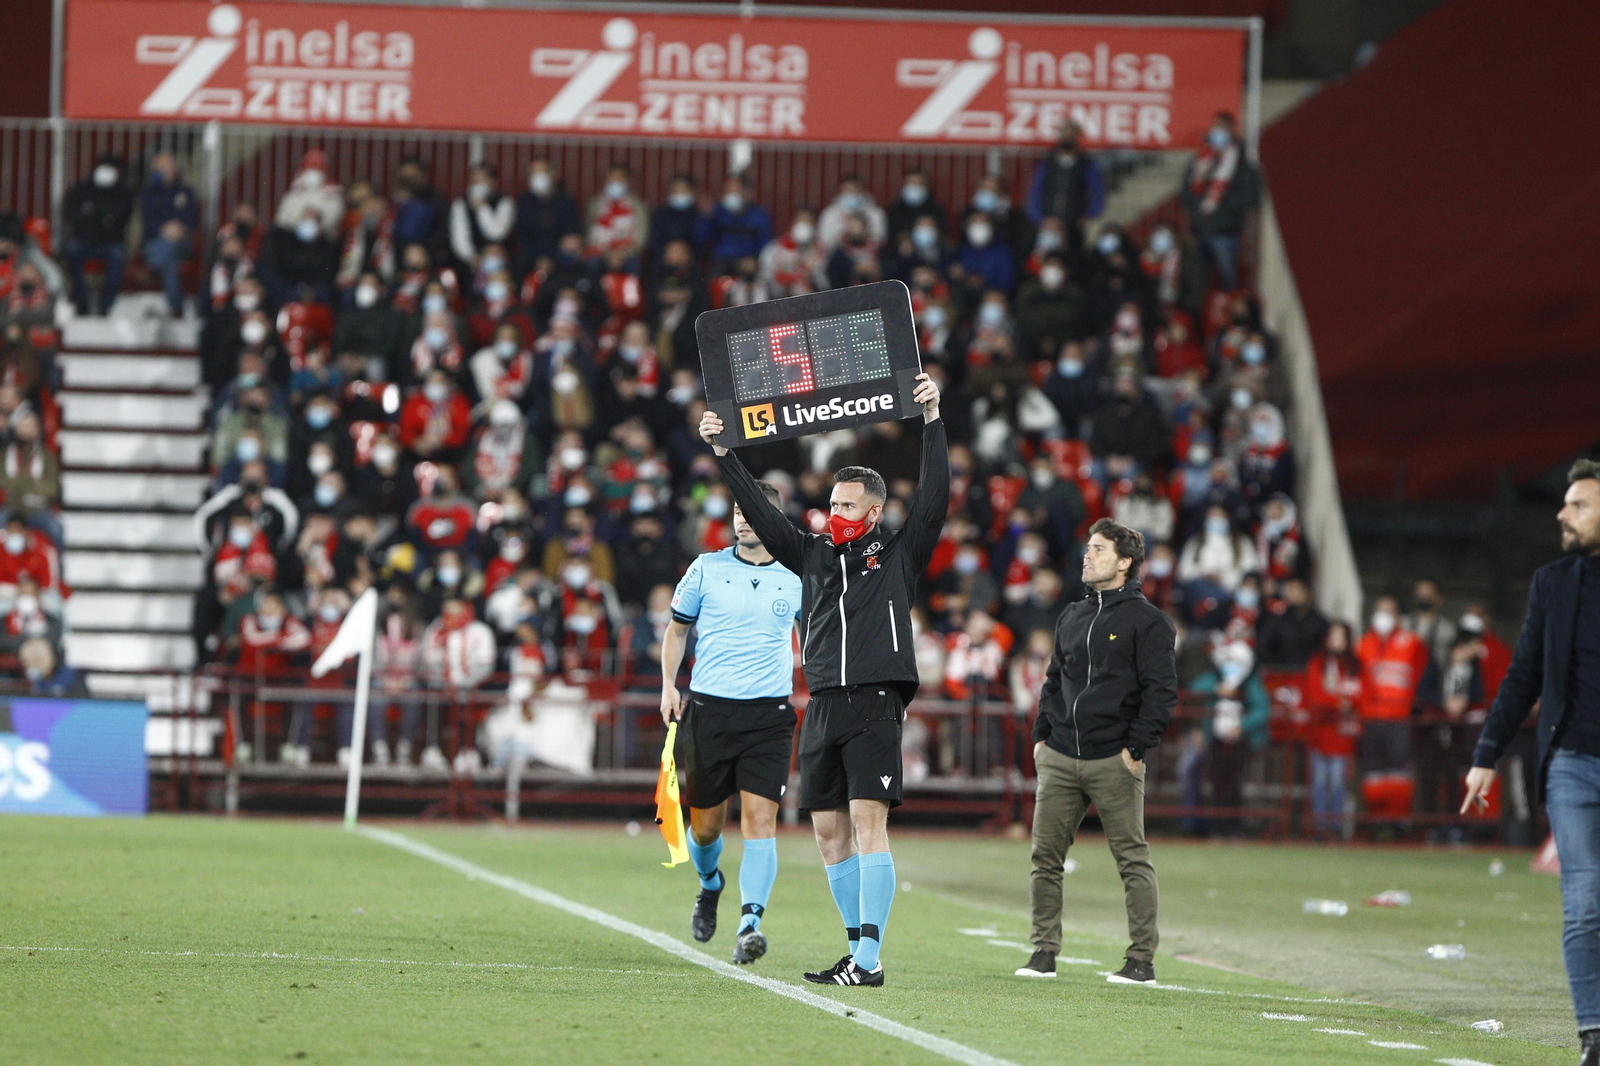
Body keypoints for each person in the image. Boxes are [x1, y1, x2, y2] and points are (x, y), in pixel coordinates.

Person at [698, 372, 948, 988]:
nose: (835, 514)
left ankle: (869, 960)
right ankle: (856, 950)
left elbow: (937, 498)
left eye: (847, 505)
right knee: (827, 830)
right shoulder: (810, 553)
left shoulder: (899, 552)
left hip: (874, 700)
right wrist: (725, 454)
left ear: (874, 510)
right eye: (831, 504)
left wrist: (932, 422)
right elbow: (759, 510)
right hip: (825, 705)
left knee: (867, 824)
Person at [1463, 460, 1600, 1065]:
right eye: (1565, 503)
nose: (1562, 514)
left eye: (1579, 505)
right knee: (1585, 898)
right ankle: (1594, 1036)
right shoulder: (1552, 582)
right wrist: (1486, 755)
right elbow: (1522, 677)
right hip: (1570, 761)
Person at [1017, 518, 1176, 983]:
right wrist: (1043, 736)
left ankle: (1141, 961)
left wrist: (1135, 748)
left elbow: (1161, 692)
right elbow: (1053, 680)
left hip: (1113, 758)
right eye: (1089, 547)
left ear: (1125, 562)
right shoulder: (1072, 614)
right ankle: (1043, 952)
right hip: (1061, 754)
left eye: (1100, 549)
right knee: (1044, 858)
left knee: (1132, 860)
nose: (1088, 555)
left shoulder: (1149, 621)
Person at [660, 479, 802, 965]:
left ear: (774, 520)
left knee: (761, 822)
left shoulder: (797, 574)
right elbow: (677, 631)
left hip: (769, 716)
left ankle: (750, 924)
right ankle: (709, 883)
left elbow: (823, 636)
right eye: (739, 511)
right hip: (709, 713)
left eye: (754, 512)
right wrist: (667, 685)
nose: (742, 519)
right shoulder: (706, 567)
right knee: (704, 830)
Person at [1303, 622, 1363, 835]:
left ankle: (1336, 828)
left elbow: (1361, 696)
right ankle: (1319, 828)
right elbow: (1316, 697)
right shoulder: (1318, 663)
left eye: (1341, 636)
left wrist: (1341, 702)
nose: (1336, 640)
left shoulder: (1356, 665)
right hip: (1320, 735)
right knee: (1319, 784)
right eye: (1333, 635)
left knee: (1338, 784)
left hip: (1343, 737)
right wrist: (1339, 703)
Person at [64, 155, 133, 316]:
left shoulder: (123, 191)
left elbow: (121, 218)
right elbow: (74, 216)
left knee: (118, 254)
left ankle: (106, 303)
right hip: (84, 239)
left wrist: (93, 212)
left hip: (111, 241)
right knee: (73, 250)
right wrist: (104, 217)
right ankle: (81, 299)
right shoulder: (82, 188)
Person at [1026, 122, 1105, 255]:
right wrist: (1040, 219)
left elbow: (1098, 191)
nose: (1067, 138)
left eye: (1071, 134)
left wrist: (1089, 214)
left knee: (1073, 258)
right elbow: (1035, 190)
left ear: (1078, 137)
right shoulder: (1047, 162)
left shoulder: (1086, 163)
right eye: (1064, 134)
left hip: (1072, 224)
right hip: (1047, 224)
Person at [140, 151, 199, 317]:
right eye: (162, 166)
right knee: (169, 257)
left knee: (169, 250)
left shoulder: (186, 192)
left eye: (169, 165)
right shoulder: (148, 194)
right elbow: (148, 223)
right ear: (154, 169)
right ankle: (176, 307)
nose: (166, 169)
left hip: (181, 242)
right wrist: (164, 230)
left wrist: (177, 230)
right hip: (155, 244)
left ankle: (155, 268)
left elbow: (191, 220)